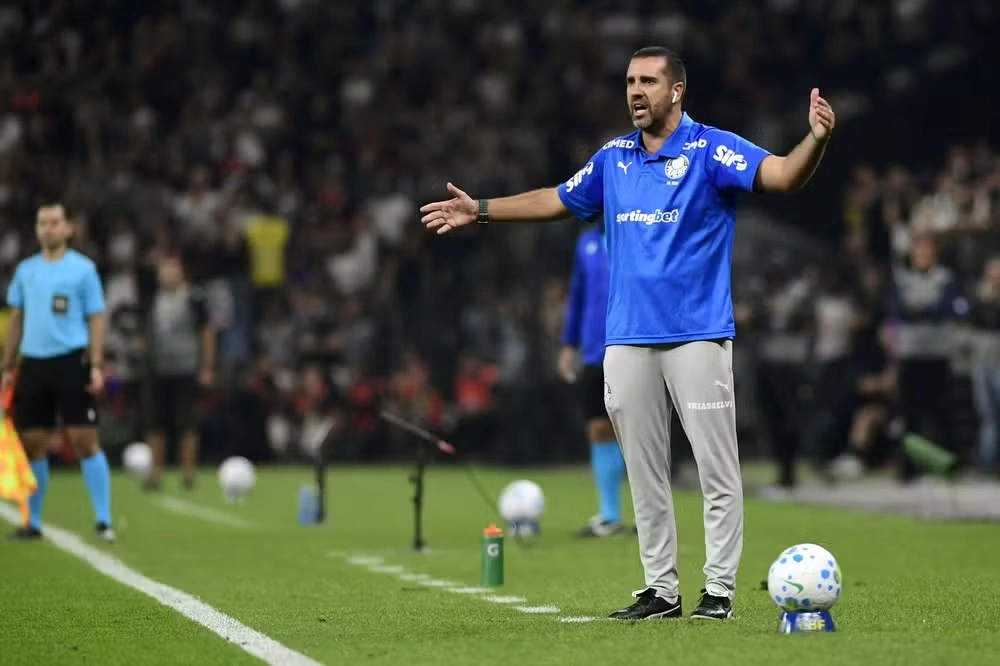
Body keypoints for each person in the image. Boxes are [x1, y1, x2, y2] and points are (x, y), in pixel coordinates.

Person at [420, 46, 835, 620]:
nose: (635, 91)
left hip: (697, 335)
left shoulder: (712, 149)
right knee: (643, 472)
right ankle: (661, 590)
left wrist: (815, 139)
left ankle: (718, 590)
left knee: (716, 470)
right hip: (627, 340)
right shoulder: (613, 158)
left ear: (676, 90)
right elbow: (556, 199)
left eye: (648, 81)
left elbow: (784, 176)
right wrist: (482, 210)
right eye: (629, 81)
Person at [1, 203, 114, 541]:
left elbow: (96, 317)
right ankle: (33, 522)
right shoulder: (26, 271)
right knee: (33, 444)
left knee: (84, 440)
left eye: (54, 222)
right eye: (42, 223)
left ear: (68, 229)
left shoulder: (83, 270)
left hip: (70, 360)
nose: (48, 228)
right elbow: (17, 318)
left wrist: (96, 363)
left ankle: (103, 518)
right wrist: (8, 366)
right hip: (34, 363)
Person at [557, 224, 631, 537]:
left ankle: (651, 516)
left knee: (635, 431)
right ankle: (610, 515)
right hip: (594, 351)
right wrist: (569, 344)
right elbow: (578, 296)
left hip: (633, 344)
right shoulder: (587, 242)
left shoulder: (637, 228)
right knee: (598, 428)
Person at [141, 255, 216, 490]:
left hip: (187, 368)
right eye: (164, 270)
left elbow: (206, 331)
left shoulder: (194, 298)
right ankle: (155, 473)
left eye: (172, 270)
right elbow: (147, 332)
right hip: (159, 369)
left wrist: (207, 365)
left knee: (188, 424)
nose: (168, 275)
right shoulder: (153, 300)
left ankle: (188, 474)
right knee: (156, 424)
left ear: (181, 273)